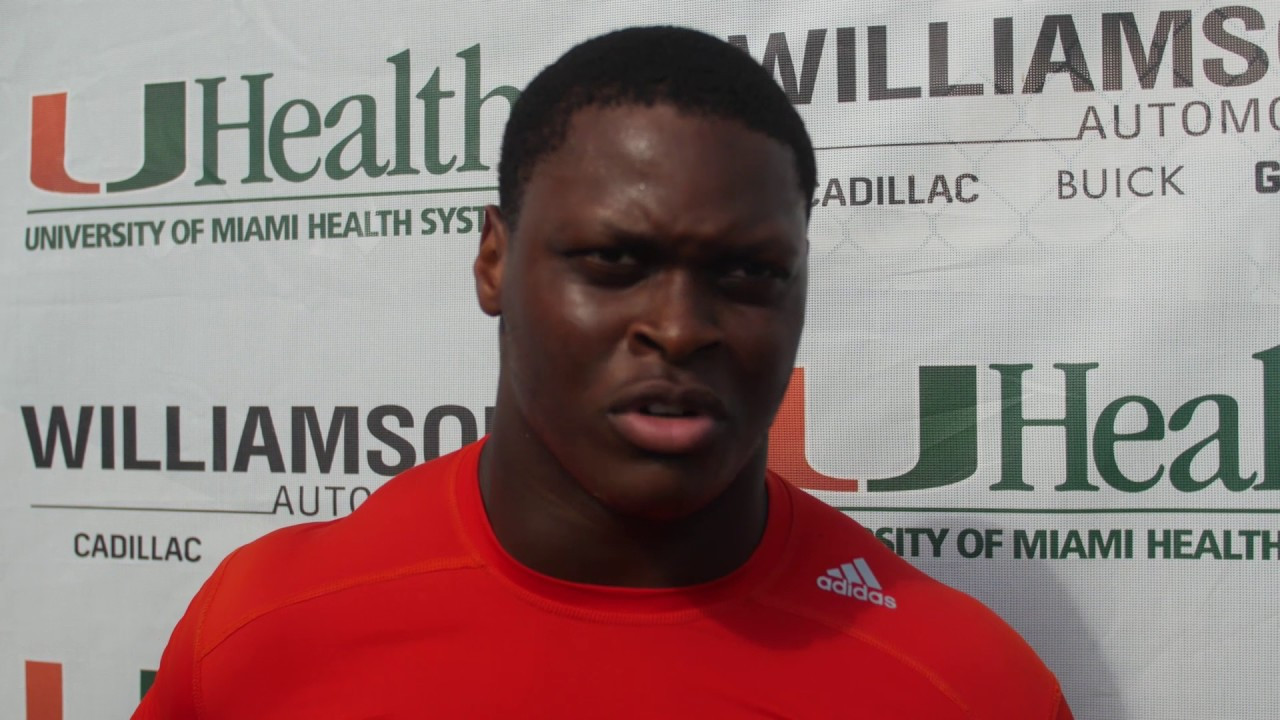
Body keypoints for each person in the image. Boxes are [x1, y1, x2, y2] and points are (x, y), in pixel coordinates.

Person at [135, 26, 1073, 719]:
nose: (678, 328)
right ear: (495, 261)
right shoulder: (262, 633)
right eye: (613, 263)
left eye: (748, 274)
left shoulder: (964, 685)